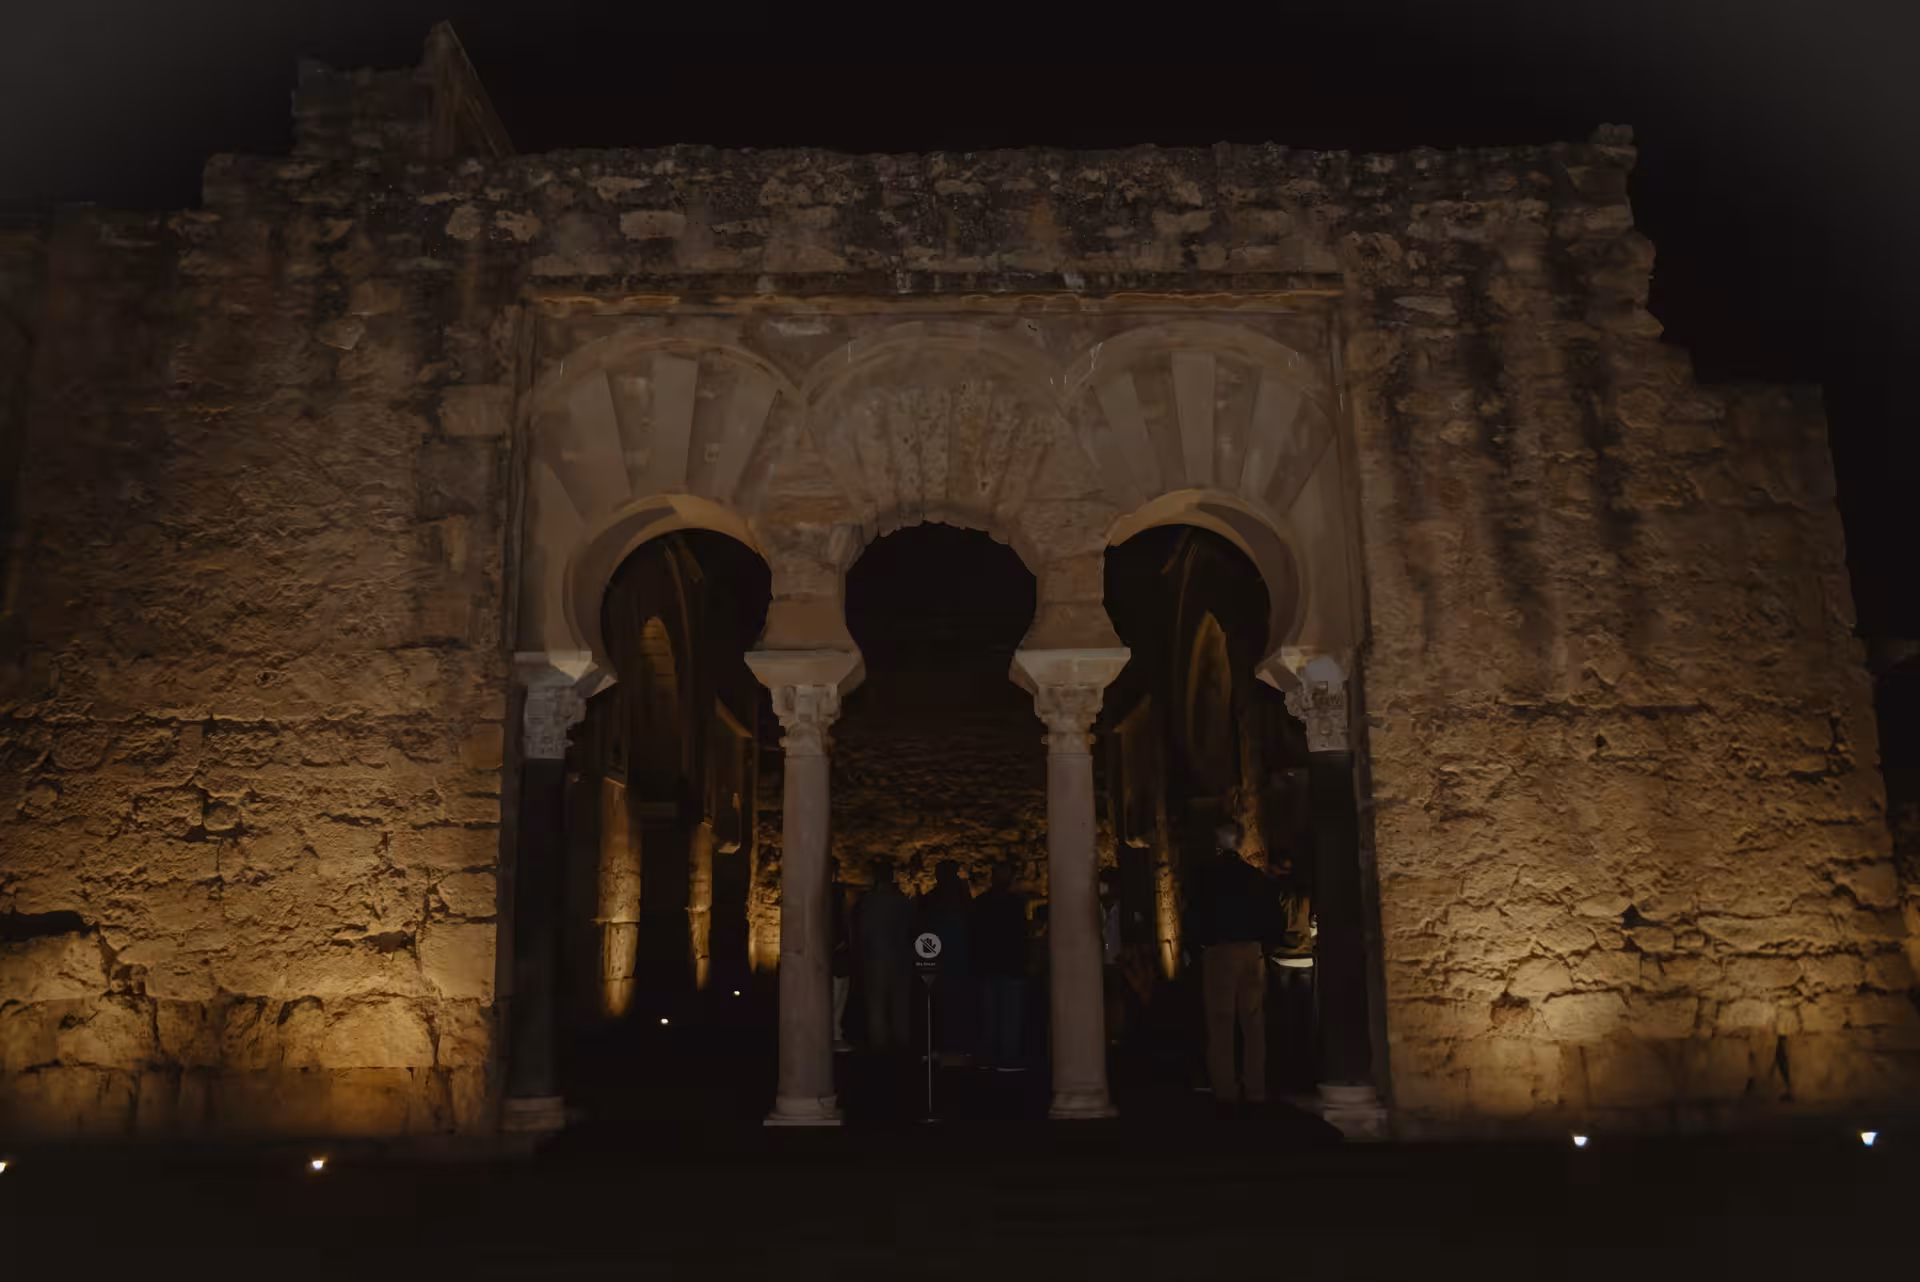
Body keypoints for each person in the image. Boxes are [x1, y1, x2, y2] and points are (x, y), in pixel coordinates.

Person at [1191, 819, 1283, 1108]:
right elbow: (1273, 917)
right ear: (1240, 842)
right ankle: (1255, 1087)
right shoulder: (1256, 878)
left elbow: (1195, 915)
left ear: (1218, 842)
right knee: (1253, 1023)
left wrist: (1197, 947)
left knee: (1221, 1022)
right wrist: (1264, 946)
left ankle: (1225, 1089)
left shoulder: (1207, 878)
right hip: (1251, 951)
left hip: (1220, 951)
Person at [971, 860, 1029, 1070]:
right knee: (1008, 1016)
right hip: (1008, 966)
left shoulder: (982, 902)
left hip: (992, 966)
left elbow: (976, 936)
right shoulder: (1015, 903)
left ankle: (993, 1056)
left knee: (991, 1015)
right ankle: (1006, 1056)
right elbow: (1021, 935)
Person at [918, 859, 975, 1063]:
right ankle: (951, 1046)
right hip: (950, 960)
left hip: (950, 960)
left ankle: (950, 1046)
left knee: (948, 1005)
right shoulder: (954, 898)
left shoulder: (939, 898)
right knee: (947, 1005)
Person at [857, 860, 915, 1053]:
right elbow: (912, 928)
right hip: (901, 958)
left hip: (876, 959)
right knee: (901, 1003)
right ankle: (902, 1042)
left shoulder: (868, 902)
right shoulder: (903, 901)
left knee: (877, 1004)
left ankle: (879, 1044)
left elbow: (863, 931)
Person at [830, 866, 854, 1052]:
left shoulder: (836, 892)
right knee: (837, 994)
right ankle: (834, 1034)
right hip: (835, 951)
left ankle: (834, 1032)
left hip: (836, 950)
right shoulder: (835, 894)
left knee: (838, 992)